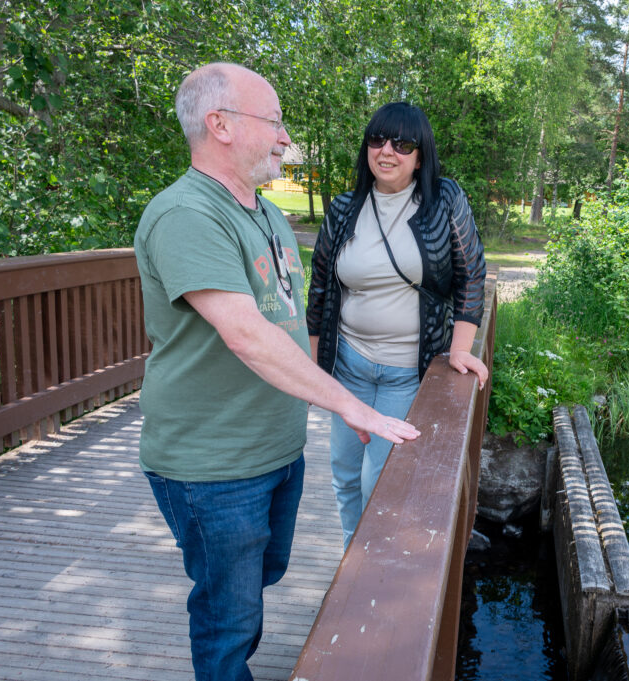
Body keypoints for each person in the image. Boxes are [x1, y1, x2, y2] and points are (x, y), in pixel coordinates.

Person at [133, 63, 419, 681]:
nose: (286, 137)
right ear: (221, 125)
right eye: (274, 121)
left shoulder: (264, 213)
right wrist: (350, 402)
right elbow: (246, 334)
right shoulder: (185, 214)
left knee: (260, 579)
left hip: (275, 449)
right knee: (228, 617)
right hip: (213, 463)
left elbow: (290, 318)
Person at [307, 102, 488, 548]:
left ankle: (370, 560)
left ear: (420, 155)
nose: (387, 151)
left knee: (379, 481)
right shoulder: (346, 208)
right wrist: (315, 370)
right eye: (377, 140)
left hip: (407, 372)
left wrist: (461, 349)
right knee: (346, 475)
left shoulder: (444, 199)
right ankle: (354, 553)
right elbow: (321, 290)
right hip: (348, 367)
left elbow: (471, 273)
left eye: (402, 143)